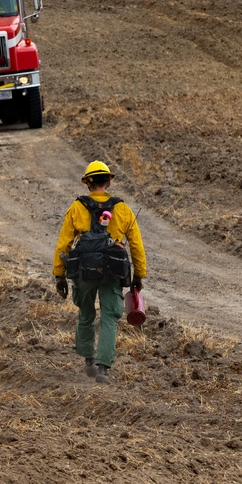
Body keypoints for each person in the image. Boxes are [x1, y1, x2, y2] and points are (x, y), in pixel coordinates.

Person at [53, 161, 147, 385]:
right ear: (109, 181)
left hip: (83, 273)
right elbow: (136, 246)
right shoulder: (123, 209)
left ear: (87, 183)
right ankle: (103, 368)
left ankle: (88, 361)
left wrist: (59, 275)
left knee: (85, 314)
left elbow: (64, 244)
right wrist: (138, 276)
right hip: (112, 273)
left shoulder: (77, 208)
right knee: (109, 318)